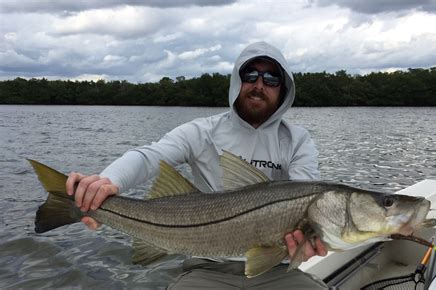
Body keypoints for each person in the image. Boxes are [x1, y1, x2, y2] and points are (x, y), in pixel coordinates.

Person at [66, 41, 328, 289]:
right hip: (207, 268)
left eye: (271, 78)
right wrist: (106, 183)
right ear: (237, 80)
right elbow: (150, 156)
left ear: (283, 88)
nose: (259, 84)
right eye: (250, 75)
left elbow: (306, 195)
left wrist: (309, 237)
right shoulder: (202, 132)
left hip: (278, 270)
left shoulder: (297, 140)